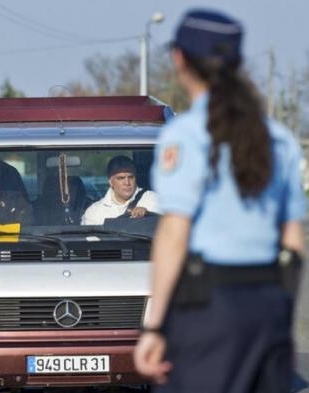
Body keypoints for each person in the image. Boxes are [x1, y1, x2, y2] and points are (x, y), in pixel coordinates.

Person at [133, 9, 306, 392]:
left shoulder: (186, 135)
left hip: (208, 306)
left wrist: (155, 326)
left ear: (180, 58)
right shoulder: (279, 139)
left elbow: (174, 234)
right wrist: (281, 319)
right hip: (268, 302)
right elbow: (293, 242)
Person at [81, 156, 158, 225]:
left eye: (131, 177)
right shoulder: (95, 212)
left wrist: (149, 216)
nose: (127, 183)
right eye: (121, 178)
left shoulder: (153, 200)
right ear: (110, 182)